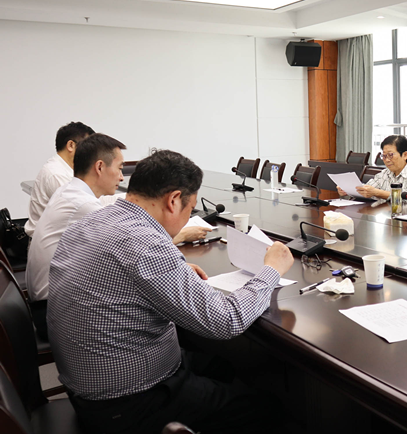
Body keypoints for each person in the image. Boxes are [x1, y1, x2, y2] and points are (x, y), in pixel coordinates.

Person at [48, 150, 294, 434]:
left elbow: (116, 273)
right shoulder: (146, 244)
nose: (188, 218)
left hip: (90, 384)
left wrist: (173, 272)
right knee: (267, 409)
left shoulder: (93, 221)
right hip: (127, 402)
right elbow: (227, 320)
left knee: (223, 366)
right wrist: (271, 270)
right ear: (174, 200)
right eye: (191, 210)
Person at [26, 134, 126, 339]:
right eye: (120, 168)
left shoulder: (68, 191)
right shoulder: (83, 205)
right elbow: (129, 247)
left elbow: (106, 208)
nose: (122, 177)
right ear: (100, 167)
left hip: (45, 303)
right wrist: (182, 234)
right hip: (52, 311)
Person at [25, 122, 95, 237]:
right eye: (89, 147)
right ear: (71, 145)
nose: (93, 154)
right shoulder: (56, 174)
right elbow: (86, 209)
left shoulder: (65, 169)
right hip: (51, 243)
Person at [337, 135, 407, 202]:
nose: (386, 160)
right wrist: (347, 190)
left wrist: (377, 192)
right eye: (384, 156)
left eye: (390, 155)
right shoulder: (385, 173)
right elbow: (368, 188)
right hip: (391, 215)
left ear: (404, 155)